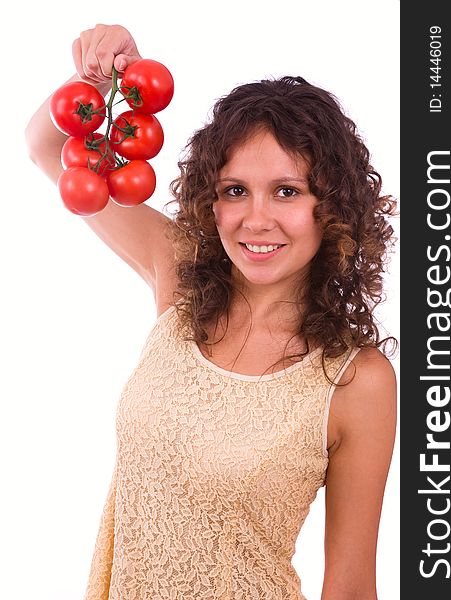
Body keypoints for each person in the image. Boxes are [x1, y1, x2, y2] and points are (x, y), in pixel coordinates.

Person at [25, 23, 397, 600]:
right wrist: (102, 81)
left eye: (288, 191)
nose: (256, 219)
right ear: (209, 196)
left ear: (335, 208)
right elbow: (47, 148)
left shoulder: (354, 380)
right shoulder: (178, 279)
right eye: (234, 190)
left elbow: (349, 586)